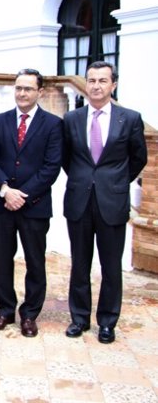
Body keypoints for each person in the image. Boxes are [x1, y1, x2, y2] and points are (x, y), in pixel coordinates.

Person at [62, 61, 147, 344]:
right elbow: (67, 159)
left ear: (113, 85)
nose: (95, 86)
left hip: (112, 201)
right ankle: (79, 318)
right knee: (80, 263)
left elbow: (138, 158)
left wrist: (116, 182)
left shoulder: (130, 118)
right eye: (91, 80)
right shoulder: (72, 119)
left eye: (102, 81)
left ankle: (108, 321)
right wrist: (84, 180)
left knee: (111, 266)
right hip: (79, 200)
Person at [0, 68, 63, 337]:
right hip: (1, 205)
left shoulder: (53, 124)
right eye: (18, 88)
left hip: (34, 206)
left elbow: (51, 168)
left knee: (34, 261)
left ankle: (30, 314)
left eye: (28, 88)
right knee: (3, 260)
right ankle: (4, 310)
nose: (22, 93)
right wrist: (6, 190)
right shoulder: (0, 121)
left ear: (39, 92)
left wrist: (22, 195)